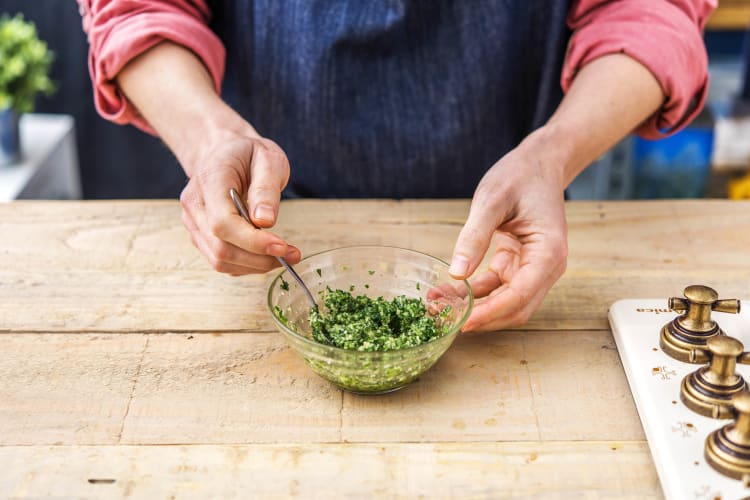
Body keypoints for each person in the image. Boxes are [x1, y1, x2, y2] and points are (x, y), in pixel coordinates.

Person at [78, 0, 715, 332]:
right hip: (274, 219)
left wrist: (553, 154)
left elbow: (649, 13)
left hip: (510, 219)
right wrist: (209, 137)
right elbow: (138, 8)